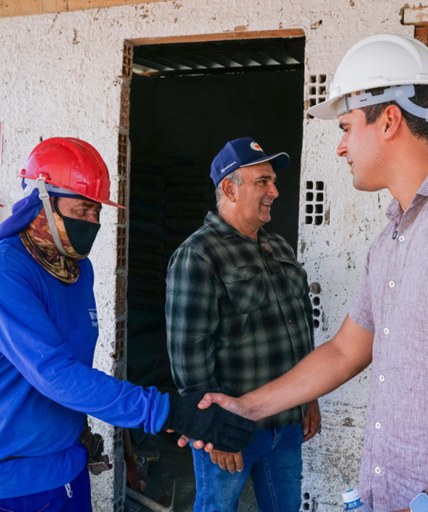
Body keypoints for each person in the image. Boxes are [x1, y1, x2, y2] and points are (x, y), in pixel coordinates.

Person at [195, 35, 428, 511]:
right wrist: (246, 408)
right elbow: (346, 350)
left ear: (389, 119)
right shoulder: (394, 233)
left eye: (347, 127)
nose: (341, 147)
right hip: (390, 497)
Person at [0, 137, 254, 512]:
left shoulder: (77, 270)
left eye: (97, 212)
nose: (93, 222)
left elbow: (74, 368)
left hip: (66, 466)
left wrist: (79, 431)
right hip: (4, 480)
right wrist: (169, 411)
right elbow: (54, 373)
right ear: (42, 202)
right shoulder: (0, 274)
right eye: (82, 210)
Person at [165, 137, 321, 512]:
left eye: (273, 182)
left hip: (285, 425)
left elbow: (299, 327)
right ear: (229, 188)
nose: (274, 191)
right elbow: (189, 356)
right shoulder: (198, 255)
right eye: (263, 181)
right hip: (231, 429)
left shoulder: (278, 248)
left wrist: (310, 395)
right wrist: (214, 430)